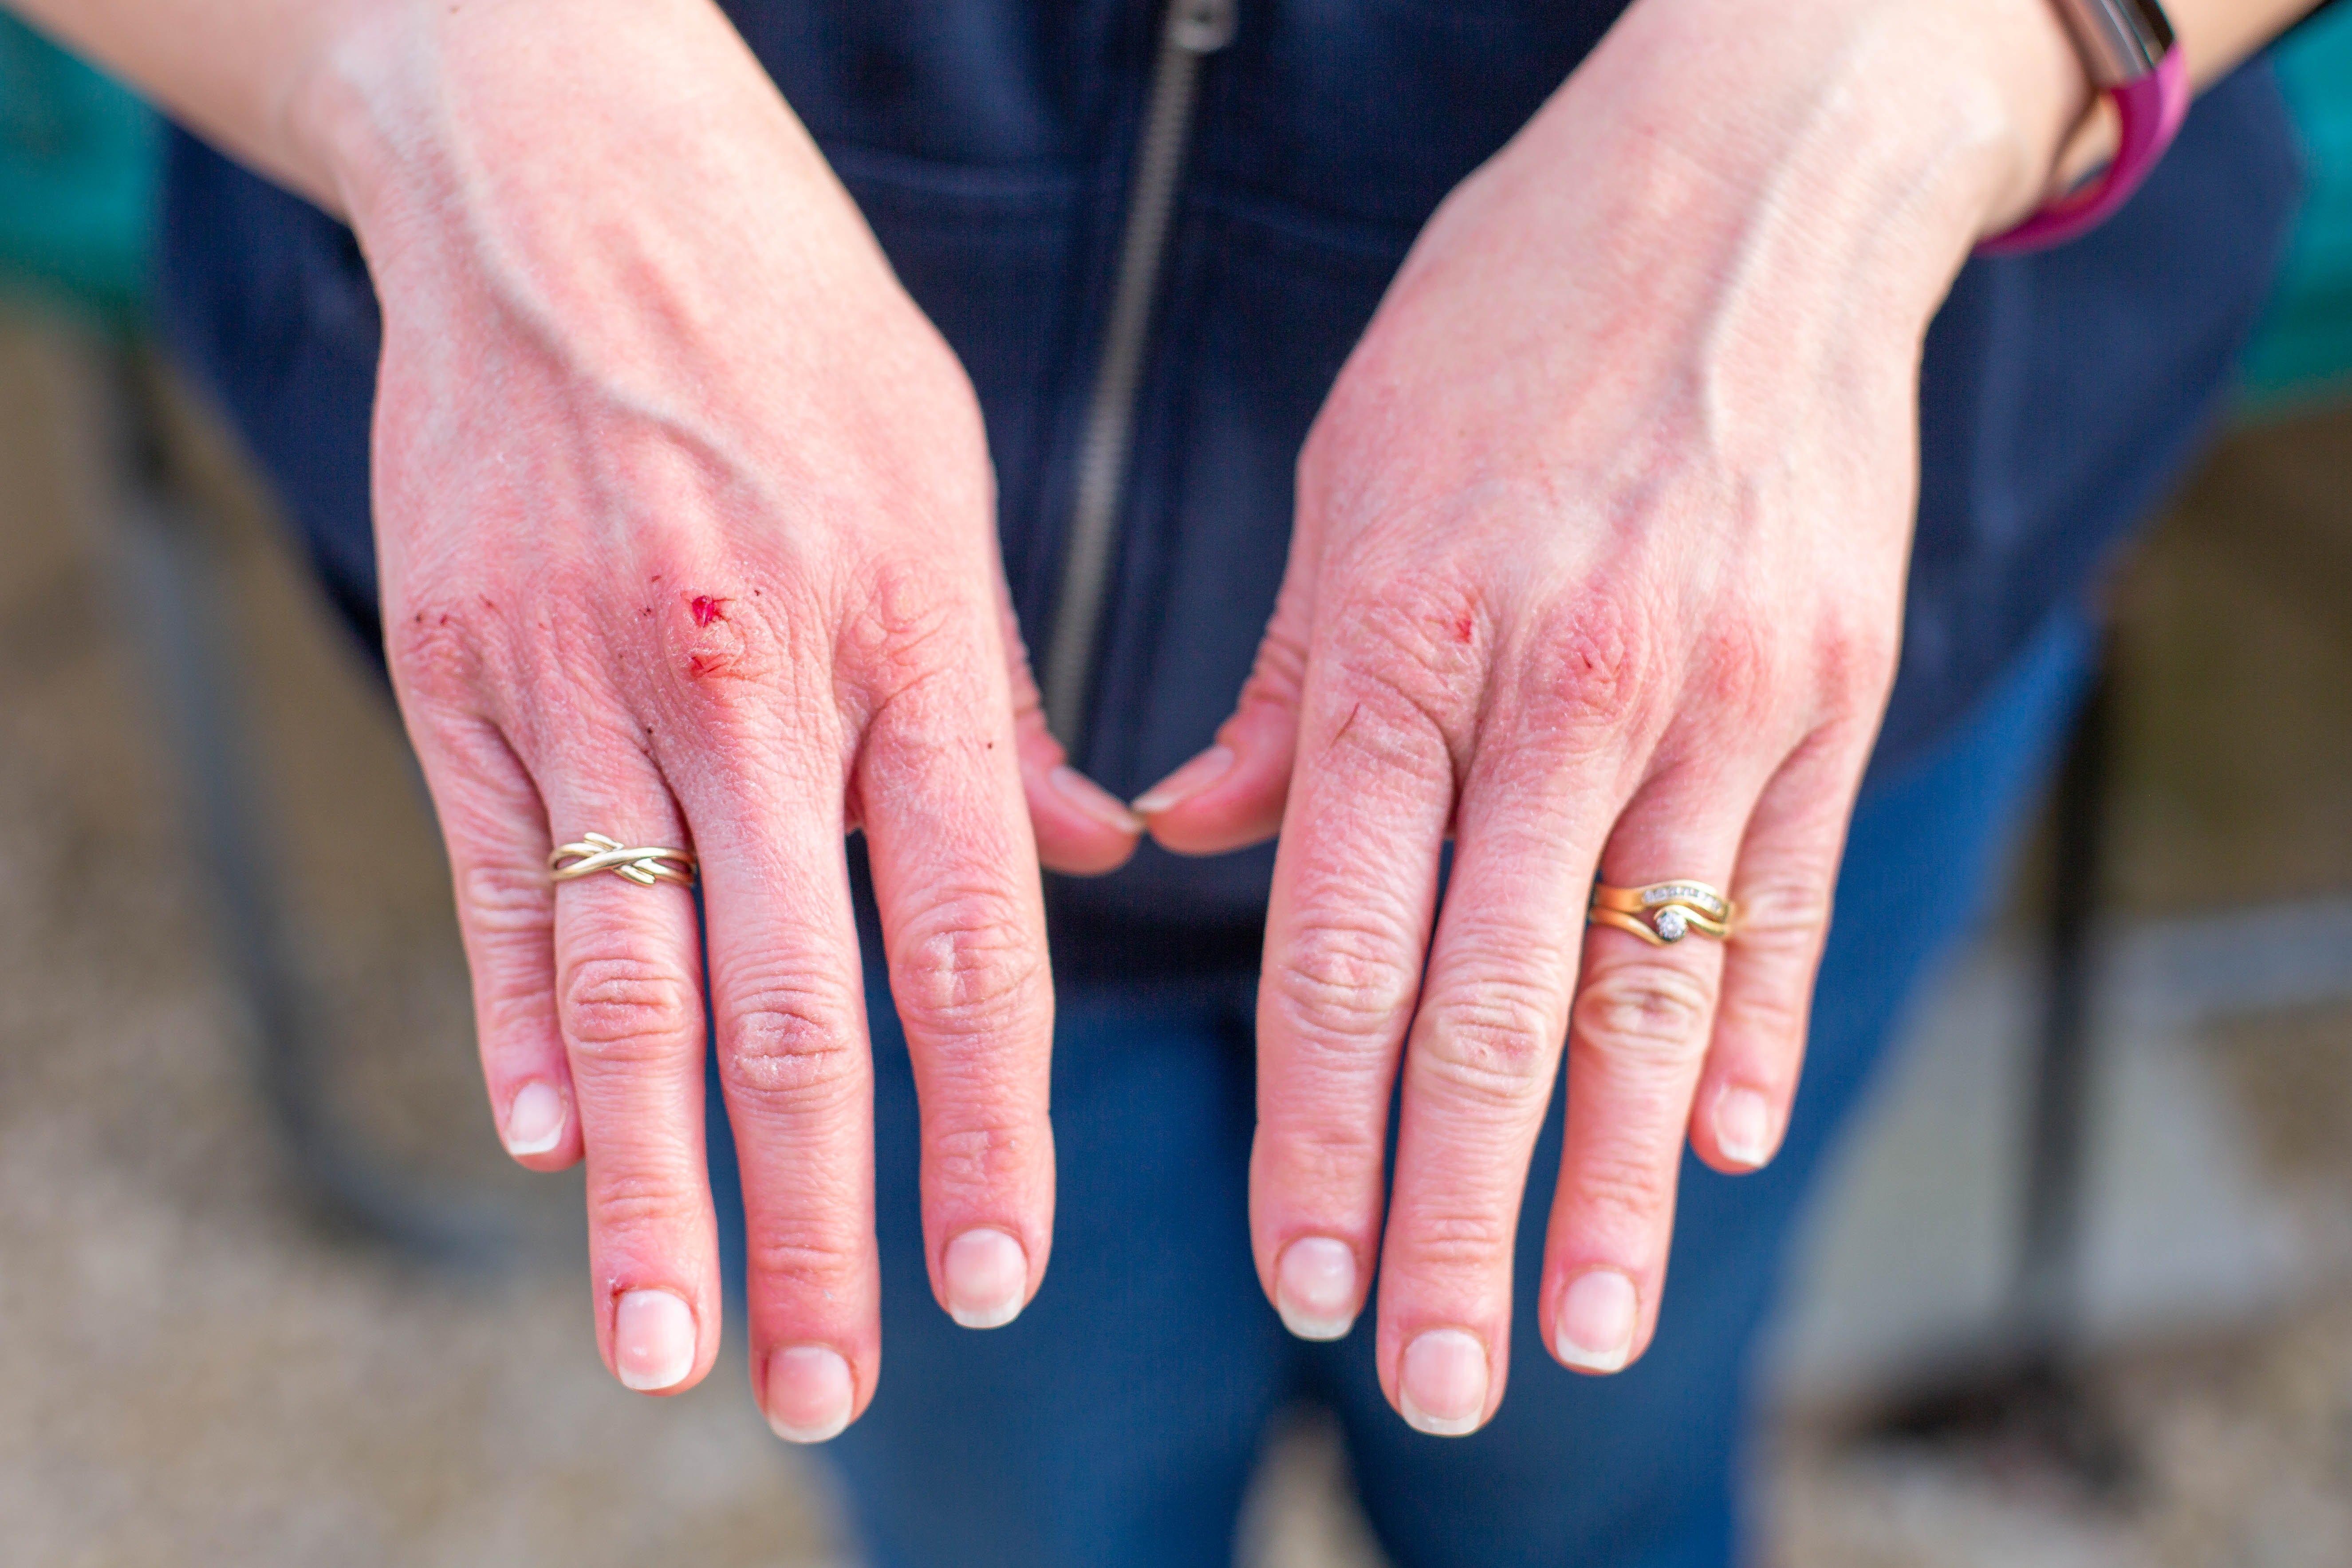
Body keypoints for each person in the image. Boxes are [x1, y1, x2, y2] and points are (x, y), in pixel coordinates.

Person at [10, 0, 2328, 1561]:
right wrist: (469, 85)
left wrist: (1869, 78)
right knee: (1008, 1487)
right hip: (743, 704)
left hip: (1699, 658)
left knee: (1590, 1454)